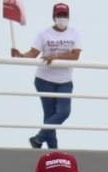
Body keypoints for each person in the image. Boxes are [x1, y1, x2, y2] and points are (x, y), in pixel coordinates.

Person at [11, 3, 81, 150]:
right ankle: (53, 152)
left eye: (64, 15)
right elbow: (33, 53)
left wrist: (56, 56)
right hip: (44, 80)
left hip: (65, 81)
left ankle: (38, 139)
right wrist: (21, 56)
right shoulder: (44, 34)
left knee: (63, 112)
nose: (62, 18)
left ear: (68, 16)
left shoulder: (74, 33)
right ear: (54, 17)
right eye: (59, 15)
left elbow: (75, 55)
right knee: (49, 116)